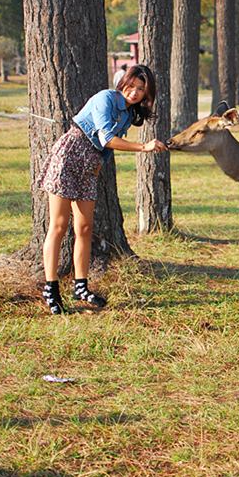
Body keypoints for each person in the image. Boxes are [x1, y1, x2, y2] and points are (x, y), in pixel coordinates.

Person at [37, 64, 167, 315]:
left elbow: (105, 148)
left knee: (85, 227)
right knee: (59, 225)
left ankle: (81, 286)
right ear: (124, 83)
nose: (135, 92)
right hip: (69, 156)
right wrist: (144, 147)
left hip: (90, 165)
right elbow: (107, 138)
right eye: (132, 86)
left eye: (142, 89)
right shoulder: (105, 98)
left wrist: (100, 164)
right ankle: (51, 289)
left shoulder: (129, 114)